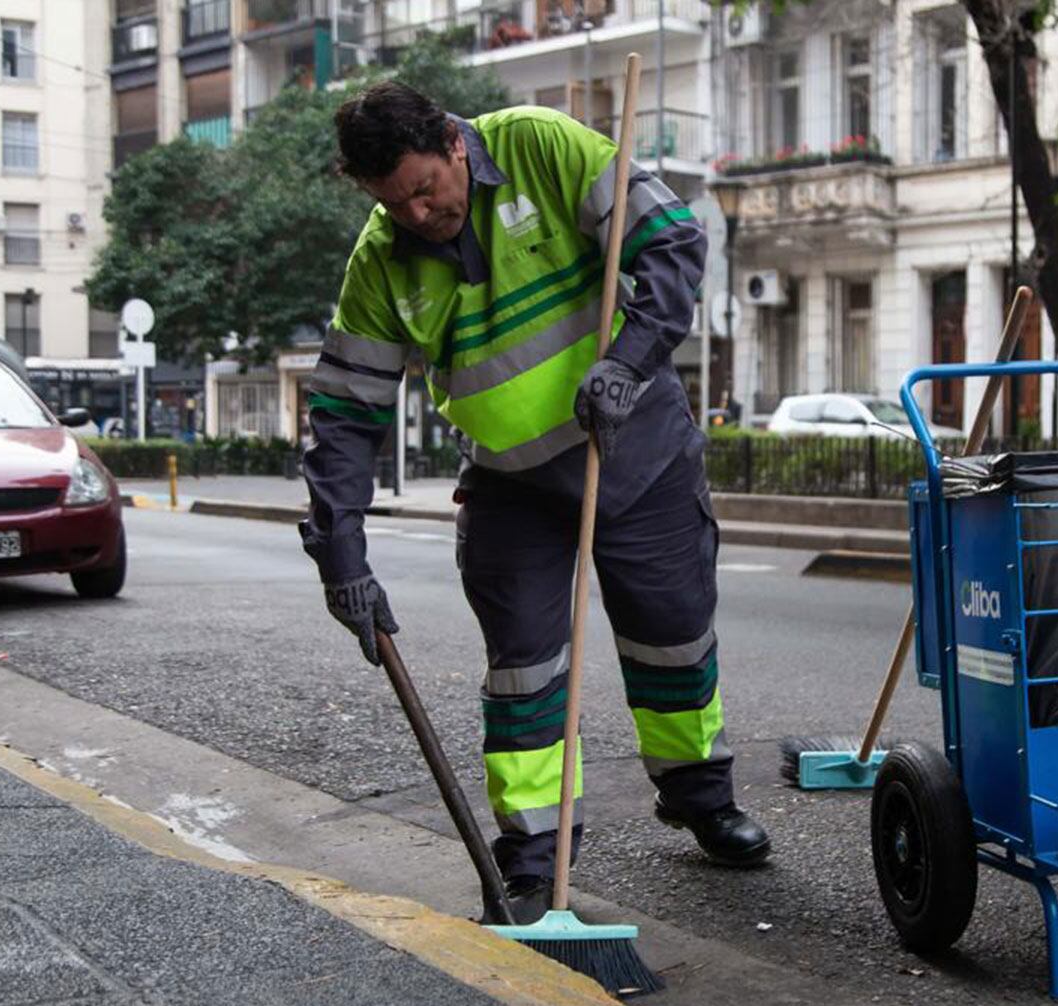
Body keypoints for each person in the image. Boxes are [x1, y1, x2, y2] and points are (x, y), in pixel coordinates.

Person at [298, 82, 770, 923]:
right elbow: (343, 414)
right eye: (391, 202)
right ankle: (535, 862)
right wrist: (343, 555)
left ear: (452, 143)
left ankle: (699, 794)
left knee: (673, 637)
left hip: (638, 449)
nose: (415, 213)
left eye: (423, 188)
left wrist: (627, 358)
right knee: (524, 674)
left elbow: (670, 241)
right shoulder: (381, 260)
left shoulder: (542, 148)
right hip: (512, 484)